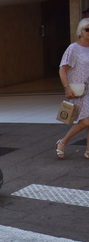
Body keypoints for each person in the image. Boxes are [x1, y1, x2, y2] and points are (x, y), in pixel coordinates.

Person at [55, 18, 89, 160]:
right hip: (79, 90)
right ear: (80, 31)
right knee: (86, 121)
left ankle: (88, 150)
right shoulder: (73, 48)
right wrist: (66, 87)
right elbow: (62, 69)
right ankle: (62, 142)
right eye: (87, 29)